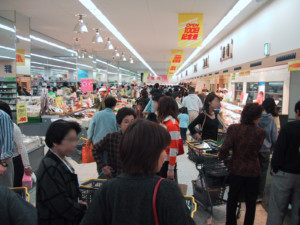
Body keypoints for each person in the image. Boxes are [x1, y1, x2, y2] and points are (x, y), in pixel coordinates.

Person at [80, 120, 195, 225]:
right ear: (149, 153)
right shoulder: (166, 189)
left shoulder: (107, 188)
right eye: (162, 150)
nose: (165, 155)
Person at [219, 103, 266, 225]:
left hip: (236, 169)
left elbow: (225, 148)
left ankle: (231, 222)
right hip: (253, 171)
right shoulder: (261, 132)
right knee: (251, 202)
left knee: (232, 199)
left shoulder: (234, 128)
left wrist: (221, 157)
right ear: (256, 117)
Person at [36, 120, 87, 225]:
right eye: (71, 140)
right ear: (55, 141)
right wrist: (82, 208)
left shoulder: (61, 160)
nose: (75, 144)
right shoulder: (50, 167)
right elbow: (61, 204)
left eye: (76, 139)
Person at [266, 101, 300, 225]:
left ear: (297, 112)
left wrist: (275, 168)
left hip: (285, 174)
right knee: (298, 212)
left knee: (277, 210)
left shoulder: (289, 128)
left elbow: (279, 151)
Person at [93, 108, 136, 178]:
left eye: (132, 121)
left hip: (134, 179)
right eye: (126, 122)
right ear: (119, 124)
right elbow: (95, 149)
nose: (130, 125)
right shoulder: (111, 137)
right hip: (115, 178)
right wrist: (103, 166)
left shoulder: (139, 138)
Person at [0, 102, 33, 187]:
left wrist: (26, 165)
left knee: (11, 190)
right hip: (7, 162)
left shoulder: (11, 125)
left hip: (12, 162)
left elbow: (21, 147)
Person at [88, 97, 118, 176]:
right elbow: (118, 130)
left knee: (99, 161)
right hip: (110, 144)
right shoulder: (115, 117)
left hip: (97, 143)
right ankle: (106, 177)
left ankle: (101, 176)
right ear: (114, 106)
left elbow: (91, 127)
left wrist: (89, 139)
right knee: (108, 162)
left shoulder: (97, 114)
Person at [257, 98, 278, 201]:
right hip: (266, 150)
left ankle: (252, 191)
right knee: (263, 172)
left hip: (255, 149)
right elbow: (275, 138)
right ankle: (260, 195)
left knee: (254, 170)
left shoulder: (257, 118)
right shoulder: (272, 120)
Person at [157, 96, 179, 180]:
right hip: (162, 160)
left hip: (167, 162)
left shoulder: (172, 124)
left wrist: (171, 168)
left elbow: (173, 148)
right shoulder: (164, 122)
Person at [0, 109, 14, 187]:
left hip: (2, 163)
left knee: (3, 195)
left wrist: (3, 164)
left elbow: (7, 141)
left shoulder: (2, 116)